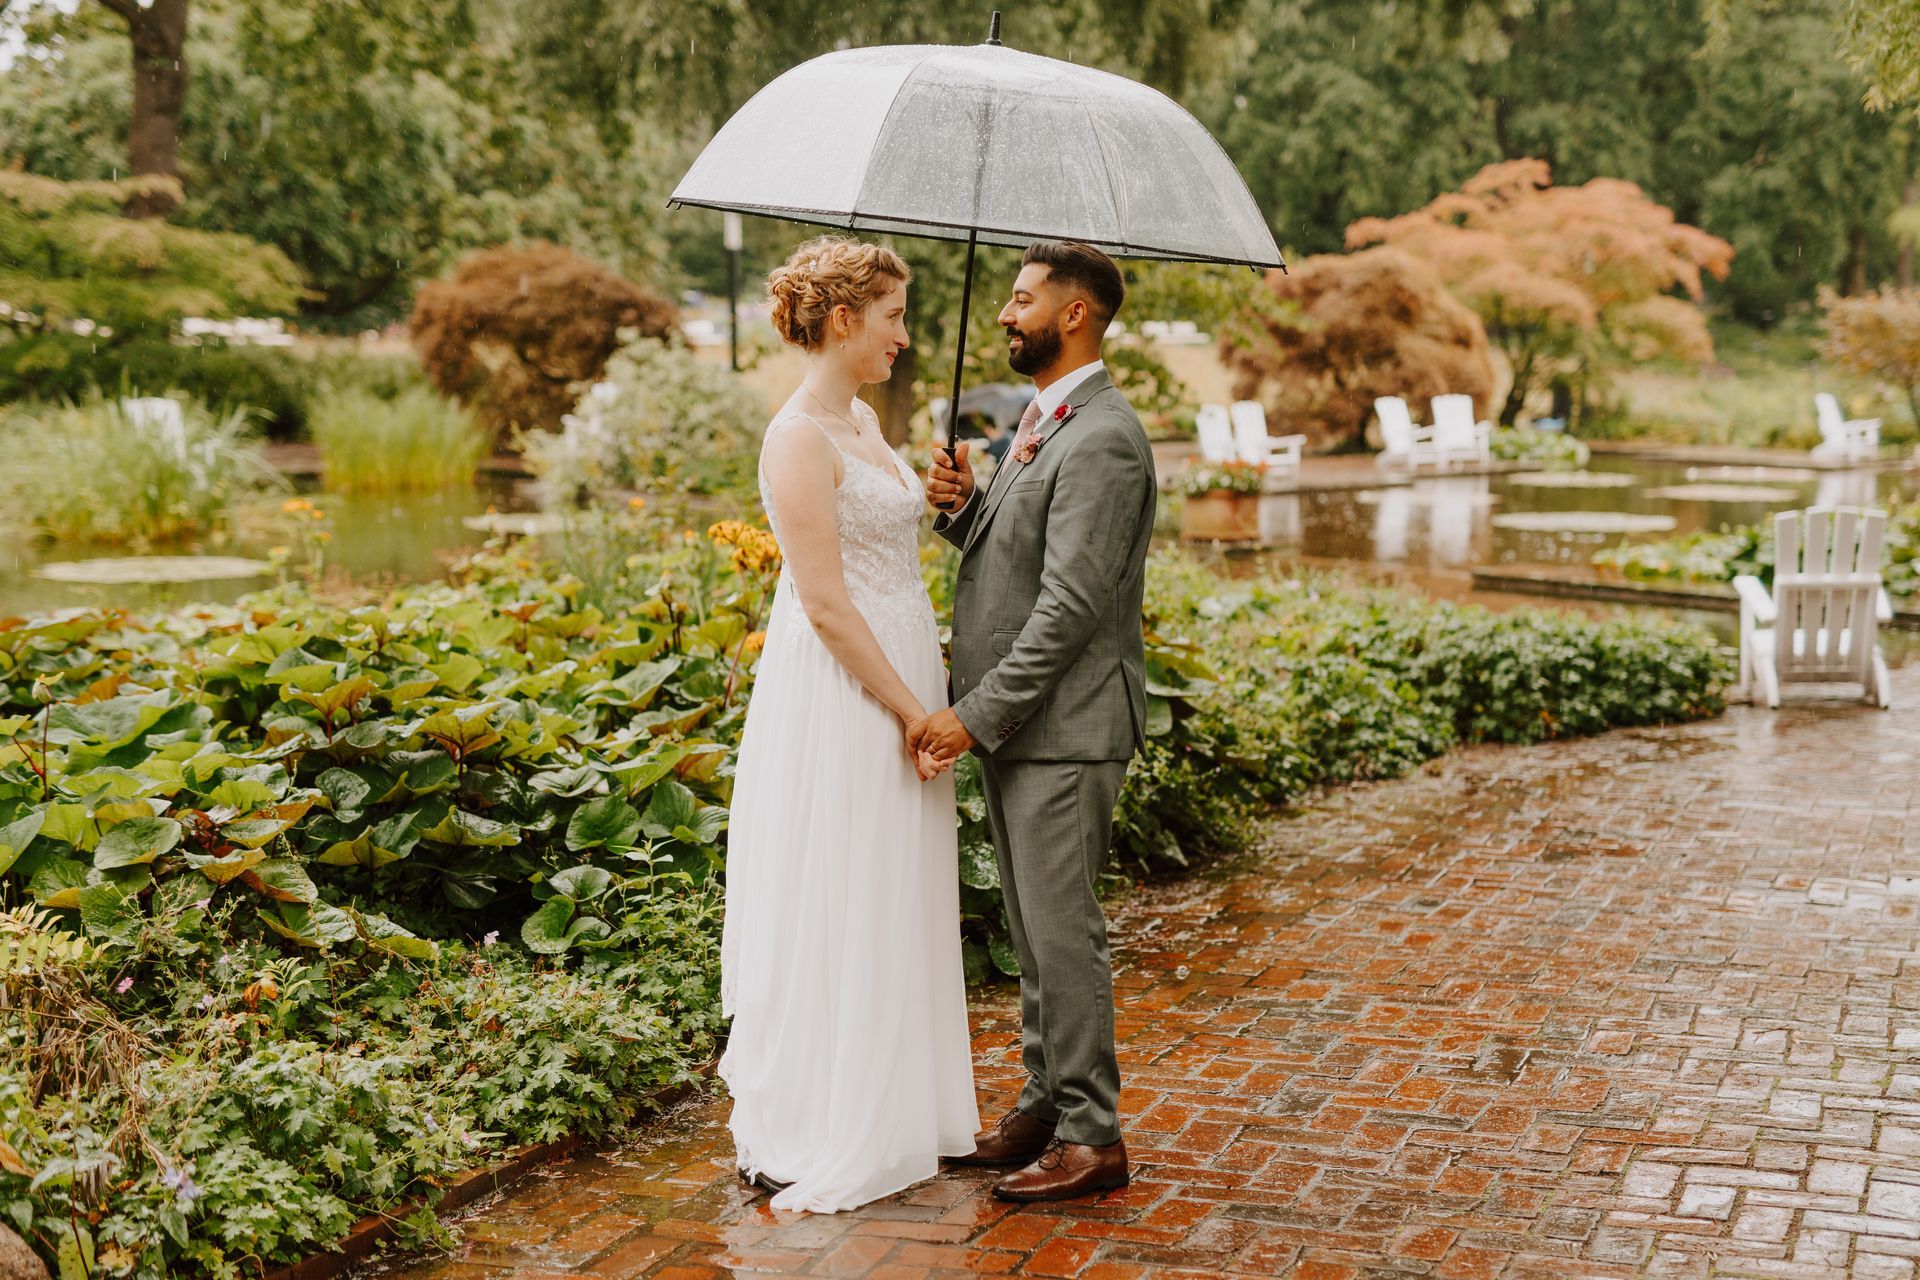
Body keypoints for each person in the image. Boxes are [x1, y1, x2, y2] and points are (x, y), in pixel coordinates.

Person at [720, 236, 978, 1213]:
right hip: (846, 689)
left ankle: (901, 1103)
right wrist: (919, 711)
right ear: (842, 322)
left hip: (903, 663)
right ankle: (818, 1119)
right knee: (838, 882)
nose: (904, 338)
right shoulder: (796, 437)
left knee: (895, 885)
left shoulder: (865, 419)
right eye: (893, 318)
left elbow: (890, 532)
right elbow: (826, 603)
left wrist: (941, 499)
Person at [915, 241, 1158, 1202]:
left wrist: (974, 715)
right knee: (1031, 930)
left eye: (1022, 301)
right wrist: (966, 507)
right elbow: (1018, 560)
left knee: (1064, 935)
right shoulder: (1041, 419)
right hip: (1028, 725)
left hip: (1064, 724)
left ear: (1075, 315)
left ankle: (1094, 1139)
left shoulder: (1103, 435)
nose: (1006, 315)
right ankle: (1044, 1106)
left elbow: (1070, 607)